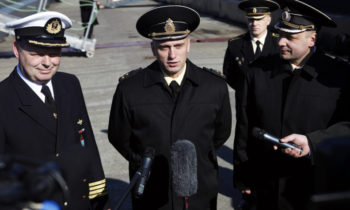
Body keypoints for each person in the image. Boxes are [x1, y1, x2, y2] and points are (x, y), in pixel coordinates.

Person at [108, 5, 232, 210]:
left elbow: (220, 134)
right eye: (164, 47)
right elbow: (119, 136)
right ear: (153, 48)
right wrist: (145, 163)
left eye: (179, 45)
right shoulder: (130, 89)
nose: (172, 55)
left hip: (200, 191)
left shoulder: (214, 86)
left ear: (189, 45)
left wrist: (196, 159)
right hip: (152, 191)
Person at [233, 0, 350, 209]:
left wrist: (313, 142)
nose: (280, 42)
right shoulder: (257, 72)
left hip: (313, 186)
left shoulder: (337, 77)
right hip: (265, 185)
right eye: (279, 34)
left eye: (290, 37)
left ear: (312, 39)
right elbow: (244, 127)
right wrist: (244, 176)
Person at [1, 11, 108, 209]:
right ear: (16, 50)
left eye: (54, 53)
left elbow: (86, 140)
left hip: (77, 201)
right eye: (37, 53)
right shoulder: (3, 98)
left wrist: (99, 194)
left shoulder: (69, 84)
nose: (47, 62)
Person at [223, 0, 280, 91]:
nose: (254, 24)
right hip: (245, 101)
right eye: (251, 19)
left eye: (259, 19)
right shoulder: (235, 44)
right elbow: (229, 74)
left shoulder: (279, 43)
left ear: (268, 20)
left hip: (273, 99)